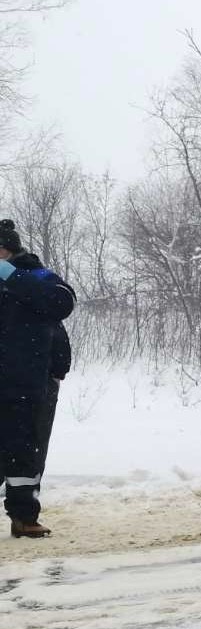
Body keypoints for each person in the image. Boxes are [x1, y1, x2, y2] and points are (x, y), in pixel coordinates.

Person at [0, 218, 76, 538]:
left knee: (24, 456)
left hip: (27, 385)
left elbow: (64, 301)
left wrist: (11, 276)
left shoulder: (35, 275)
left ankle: (24, 518)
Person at [32, 322, 70, 488]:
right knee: (37, 439)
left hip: (36, 382)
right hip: (43, 383)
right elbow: (62, 351)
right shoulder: (48, 310)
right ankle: (29, 484)